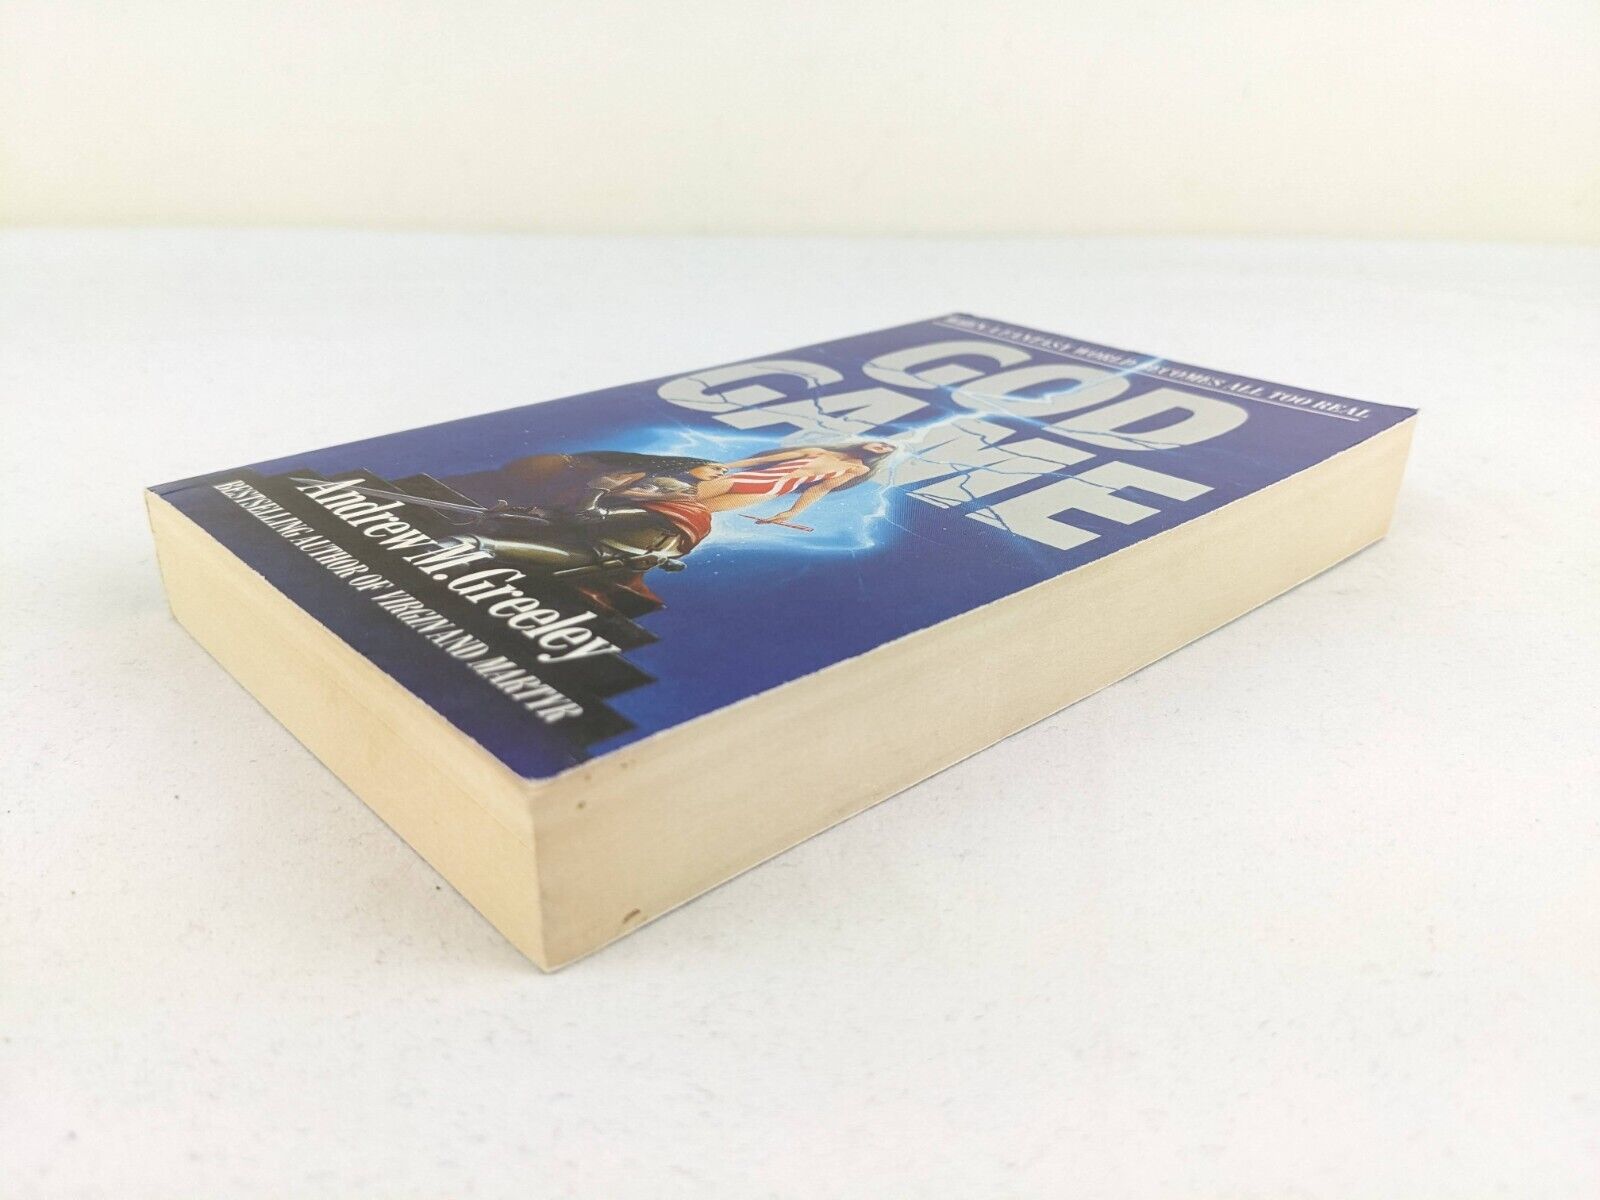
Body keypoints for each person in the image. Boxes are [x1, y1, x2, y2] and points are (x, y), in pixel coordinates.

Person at [700, 440, 896, 525]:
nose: (882, 446)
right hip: (748, 478)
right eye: (883, 442)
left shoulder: (858, 469)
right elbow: (761, 460)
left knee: (700, 510)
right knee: (685, 498)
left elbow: (820, 488)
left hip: (768, 491)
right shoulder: (817, 451)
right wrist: (723, 466)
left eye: (887, 448)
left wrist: (793, 512)